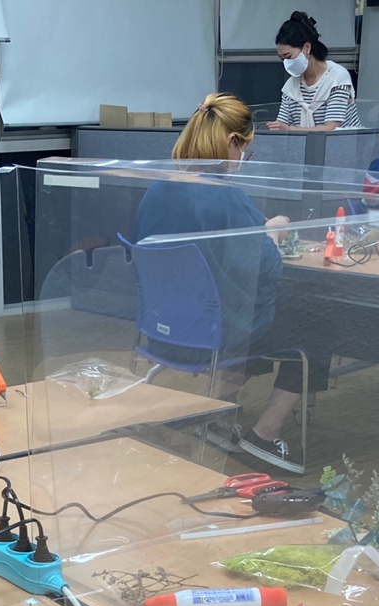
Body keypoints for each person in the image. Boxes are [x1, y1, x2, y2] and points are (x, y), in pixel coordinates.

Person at [134, 93, 305, 472]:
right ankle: (264, 435)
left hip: (163, 331)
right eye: (246, 149)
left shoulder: (157, 189)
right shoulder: (225, 196)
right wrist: (273, 232)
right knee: (316, 327)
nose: (244, 158)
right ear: (232, 142)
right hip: (213, 336)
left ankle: (217, 415)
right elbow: (265, 270)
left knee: (253, 315)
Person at [267, 12, 359, 133]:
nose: (286, 63)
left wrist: (291, 129)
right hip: (304, 144)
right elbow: (281, 125)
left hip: (341, 143)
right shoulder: (290, 87)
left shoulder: (337, 79)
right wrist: (276, 128)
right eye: (282, 59)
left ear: (306, 48)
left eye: (288, 57)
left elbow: (332, 128)